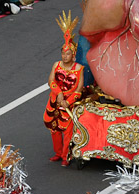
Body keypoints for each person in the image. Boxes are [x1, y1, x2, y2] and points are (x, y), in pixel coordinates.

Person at [44, 10, 84, 167]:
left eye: (67, 54)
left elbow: (79, 89)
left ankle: (66, 156)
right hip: (55, 100)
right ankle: (58, 152)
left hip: (68, 103)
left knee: (67, 131)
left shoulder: (79, 68)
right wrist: (59, 94)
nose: (64, 56)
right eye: (63, 53)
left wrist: (68, 101)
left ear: (73, 55)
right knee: (54, 128)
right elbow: (51, 81)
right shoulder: (57, 65)